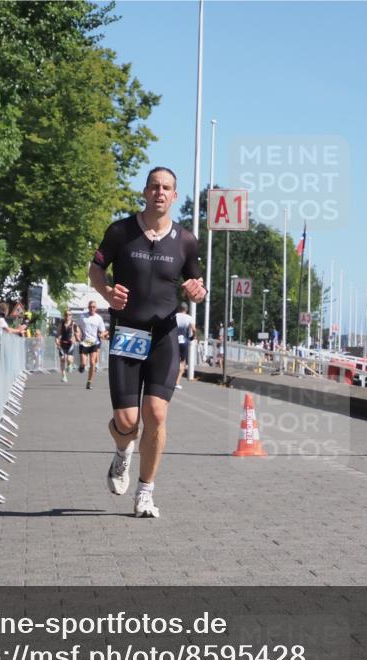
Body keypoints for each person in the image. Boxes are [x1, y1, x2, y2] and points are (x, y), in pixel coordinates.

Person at [88, 166, 206, 519]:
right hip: (127, 334)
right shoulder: (120, 232)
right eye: (154, 186)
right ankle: (123, 450)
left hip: (164, 336)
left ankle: (145, 493)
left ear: (174, 196)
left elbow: (198, 287)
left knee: (156, 414)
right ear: (144, 192)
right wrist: (107, 292)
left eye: (166, 187)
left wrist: (196, 291)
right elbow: (95, 271)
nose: (159, 192)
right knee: (127, 421)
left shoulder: (185, 241)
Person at [78, 300, 108, 389]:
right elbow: (77, 326)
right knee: (83, 363)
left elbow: (103, 331)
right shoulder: (83, 316)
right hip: (84, 342)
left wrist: (102, 334)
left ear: (96, 308)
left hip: (94, 342)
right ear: (88, 307)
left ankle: (89, 382)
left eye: (94, 307)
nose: (92, 308)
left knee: (92, 363)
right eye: (90, 307)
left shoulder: (98, 318)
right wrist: (77, 333)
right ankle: (82, 366)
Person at [174, 302, 196, 389]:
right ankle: (177, 382)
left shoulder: (175, 315)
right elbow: (194, 329)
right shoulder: (189, 318)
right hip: (184, 341)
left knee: (172, 360)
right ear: (186, 309)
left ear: (179, 308)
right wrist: (193, 337)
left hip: (174, 340)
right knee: (182, 362)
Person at [56, 309, 79, 382]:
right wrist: (57, 340)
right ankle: (64, 376)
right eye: (66, 314)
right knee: (62, 359)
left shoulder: (73, 324)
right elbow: (58, 333)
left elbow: (78, 333)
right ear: (64, 315)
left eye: (69, 315)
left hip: (70, 344)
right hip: (62, 343)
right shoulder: (61, 323)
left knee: (69, 359)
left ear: (71, 316)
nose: (67, 316)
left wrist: (75, 338)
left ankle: (70, 364)